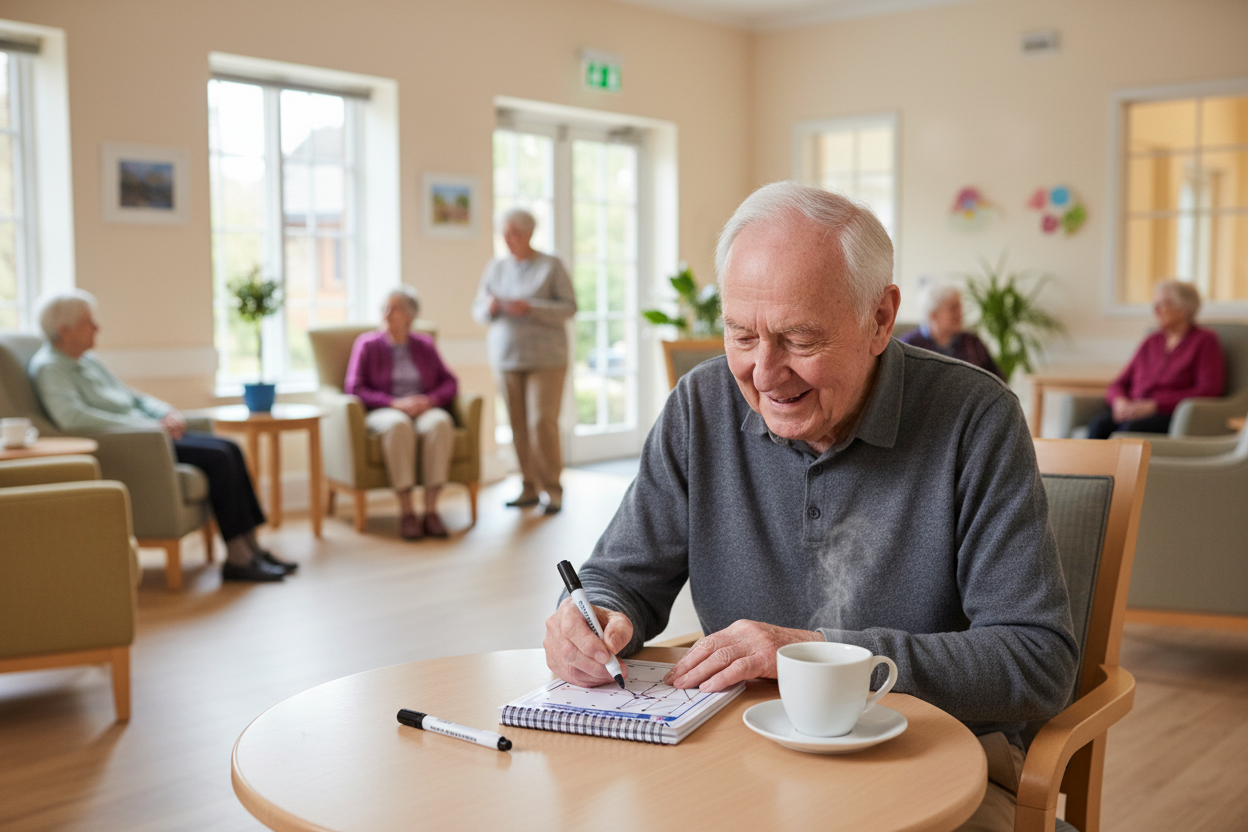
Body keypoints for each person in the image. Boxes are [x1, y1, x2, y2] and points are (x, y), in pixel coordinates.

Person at [543, 183, 1077, 832]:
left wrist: (821, 654)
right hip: (739, 754)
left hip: (931, 758)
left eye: (799, 340)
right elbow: (621, 575)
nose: (765, 373)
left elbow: (1036, 659)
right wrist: (594, 612)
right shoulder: (700, 406)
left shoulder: (976, 419)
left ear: (880, 319)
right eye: (741, 335)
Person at [29, 289, 295, 582]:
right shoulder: (50, 368)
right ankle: (238, 558)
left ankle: (253, 548)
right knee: (219, 458)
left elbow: (132, 396)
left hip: (151, 433)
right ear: (64, 330)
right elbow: (72, 418)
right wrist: (144, 427)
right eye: (88, 322)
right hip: (138, 443)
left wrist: (165, 412)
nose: (97, 328)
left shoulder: (87, 361)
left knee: (231, 448)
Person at [472, 208, 577, 515]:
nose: (509, 238)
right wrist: (490, 307)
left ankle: (553, 489)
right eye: (505, 232)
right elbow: (478, 310)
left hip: (547, 358)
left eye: (515, 232)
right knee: (517, 425)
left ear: (529, 233)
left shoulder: (551, 264)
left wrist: (530, 308)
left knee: (541, 423)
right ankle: (528, 486)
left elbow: (569, 307)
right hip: (506, 357)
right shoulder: (496, 267)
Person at [344, 286, 458, 540]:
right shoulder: (367, 344)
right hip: (385, 410)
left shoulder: (424, 345)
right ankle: (407, 512)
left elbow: (450, 382)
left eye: (394, 308)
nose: (387, 313)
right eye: (384, 307)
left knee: (440, 423)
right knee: (398, 427)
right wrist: (394, 403)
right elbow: (354, 387)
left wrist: (430, 400)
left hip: (422, 407)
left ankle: (430, 511)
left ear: (409, 315)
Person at [1087, 279, 1224, 439]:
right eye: (1155, 304)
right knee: (1099, 425)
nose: (1155, 310)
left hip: (1170, 414)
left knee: (1131, 430)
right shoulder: (1152, 341)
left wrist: (1156, 406)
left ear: (1183, 309)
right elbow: (1118, 384)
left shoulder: (1205, 340)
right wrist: (1120, 402)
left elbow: (1208, 391)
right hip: (1133, 409)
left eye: (1162, 304)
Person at [899, 283, 1005, 380]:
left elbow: (997, 379)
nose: (960, 313)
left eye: (960, 307)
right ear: (933, 315)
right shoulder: (908, 346)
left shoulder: (972, 341)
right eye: (953, 308)